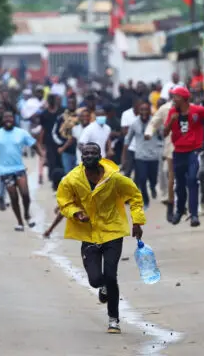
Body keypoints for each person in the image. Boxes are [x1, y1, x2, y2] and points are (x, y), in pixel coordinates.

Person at [56, 142, 145, 334]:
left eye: (93, 152)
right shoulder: (71, 179)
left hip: (112, 231)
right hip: (88, 233)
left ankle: (114, 319)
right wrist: (76, 213)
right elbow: (64, 202)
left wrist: (137, 221)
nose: (89, 155)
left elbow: (135, 196)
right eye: (86, 152)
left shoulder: (114, 178)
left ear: (100, 156)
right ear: (81, 156)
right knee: (96, 280)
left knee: (111, 276)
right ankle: (102, 286)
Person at [0, 111, 43, 231]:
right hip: (5, 171)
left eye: (10, 117)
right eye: (6, 117)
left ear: (14, 119)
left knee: (25, 194)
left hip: (19, 169)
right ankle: (20, 222)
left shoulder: (21, 133)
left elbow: (34, 144)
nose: (8, 120)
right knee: (13, 197)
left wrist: (41, 154)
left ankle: (26, 214)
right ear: (2, 120)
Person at [164, 86, 204, 227]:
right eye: (173, 96)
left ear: (184, 98)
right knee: (179, 184)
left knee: (193, 180)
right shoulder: (172, 112)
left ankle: (194, 214)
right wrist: (171, 122)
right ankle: (180, 210)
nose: (174, 99)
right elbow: (164, 133)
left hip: (194, 151)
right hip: (178, 152)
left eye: (176, 97)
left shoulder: (196, 110)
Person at [125, 102, 162, 209]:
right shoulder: (134, 123)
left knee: (153, 179)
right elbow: (128, 139)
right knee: (142, 179)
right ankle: (145, 200)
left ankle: (153, 186)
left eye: (146, 110)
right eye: (142, 110)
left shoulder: (155, 122)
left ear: (149, 111)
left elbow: (163, 133)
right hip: (140, 156)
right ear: (139, 111)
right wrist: (126, 156)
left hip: (153, 156)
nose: (144, 112)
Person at [145, 99, 175, 221]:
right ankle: (170, 204)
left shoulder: (191, 108)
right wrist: (149, 133)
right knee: (167, 173)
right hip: (169, 147)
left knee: (190, 177)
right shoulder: (165, 109)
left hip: (188, 146)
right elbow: (153, 124)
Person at [40, 93, 63, 185]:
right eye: (50, 100)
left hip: (60, 139)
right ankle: (53, 180)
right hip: (49, 140)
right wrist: (41, 143)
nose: (52, 102)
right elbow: (43, 129)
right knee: (51, 160)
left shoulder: (61, 112)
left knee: (59, 159)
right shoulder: (44, 114)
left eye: (53, 99)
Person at [52, 95, 78, 174]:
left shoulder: (81, 117)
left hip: (79, 150)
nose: (71, 105)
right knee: (68, 174)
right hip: (66, 151)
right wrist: (62, 143)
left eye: (73, 103)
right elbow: (54, 132)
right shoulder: (61, 117)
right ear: (67, 104)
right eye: (69, 103)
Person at [120, 98, 140, 177]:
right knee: (128, 169)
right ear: (134, 105)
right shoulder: (126, 114)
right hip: (128, 145)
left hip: (140, 146)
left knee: (139, 171)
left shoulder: (143, 114)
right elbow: (124, 131)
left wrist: (131, 129)